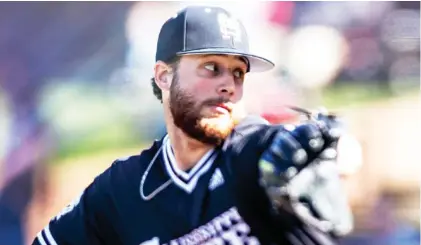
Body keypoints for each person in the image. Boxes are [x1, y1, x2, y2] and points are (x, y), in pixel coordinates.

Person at [32, 5, 353, 245]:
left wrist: (332, 155)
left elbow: (337, 152)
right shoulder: (124, 189)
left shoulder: (256, 150)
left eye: (238, 72)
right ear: (164, 76)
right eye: (212, 68)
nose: (229, 84)